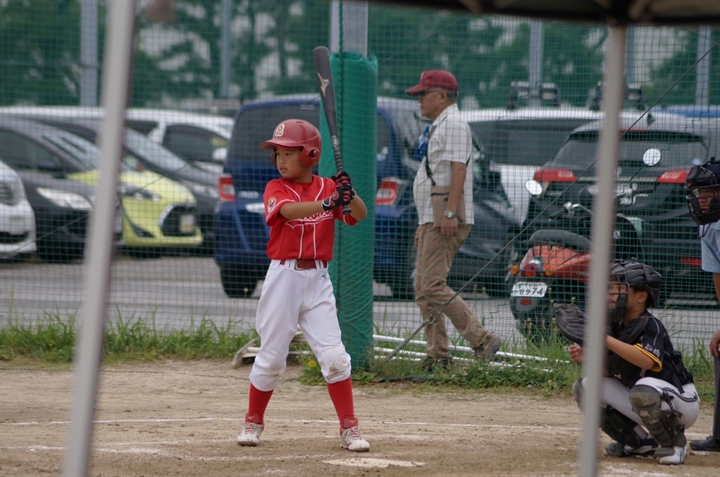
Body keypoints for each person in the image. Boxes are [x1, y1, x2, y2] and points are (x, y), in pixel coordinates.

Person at [236, 119, 370, 452]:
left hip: (318, 280)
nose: (280, 160)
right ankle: (253, 421)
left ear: (310, 155)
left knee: (335, 356)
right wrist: (328, 203)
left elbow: (361, 215)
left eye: (288, 153)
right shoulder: (276, 188)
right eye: (277, 154)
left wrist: (347, 193)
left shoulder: (327, 187)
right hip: (284, 278)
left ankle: (349, 427)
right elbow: (289, 212)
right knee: (272, 357)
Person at [405, 70, 501, 371]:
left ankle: (481, 339)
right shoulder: (440, 124)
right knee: (423, 287)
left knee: (432, 284)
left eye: (424, 93)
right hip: (431, 216)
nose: (419, 100)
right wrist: (425, 223)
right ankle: (438, 354)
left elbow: (459, 170)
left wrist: (450, 212)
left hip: (444, 214)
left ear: (442, 96)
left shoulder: (455, 124)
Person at [568, 260, 700, 465]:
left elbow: (646, 361)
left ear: (641, 296)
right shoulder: (615, 326)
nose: (610, 295)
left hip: (682, 400)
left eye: (619, 290)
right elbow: (616, 371)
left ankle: (675, 443)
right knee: (586, 387)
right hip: (650, 396)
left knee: (643, 390)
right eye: (610, 289)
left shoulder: (650, 325)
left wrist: (603, 338)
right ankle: (638, 441)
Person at [685, 157, 720, 452]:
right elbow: (719, 274)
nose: (701, 200)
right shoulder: (710, 227)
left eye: (708, 193)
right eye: (698, 194)